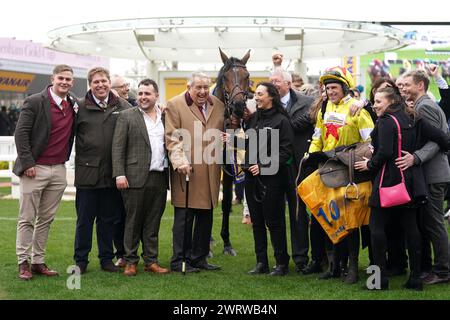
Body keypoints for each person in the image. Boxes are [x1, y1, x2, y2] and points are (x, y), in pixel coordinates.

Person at [355, 86, 450, 290]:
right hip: (411, 181)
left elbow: (385, 153)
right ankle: (415, 280)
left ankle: (378, 281)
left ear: (390, 101)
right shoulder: (413, 116)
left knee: (376, 228)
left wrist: (368, 165)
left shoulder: (386, 121)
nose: (375, 105)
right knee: (411, 228)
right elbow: (443, 138)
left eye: (378, 101)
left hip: (388, 180)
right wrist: (416, 157)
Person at [309, 66, 374, 284]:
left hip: (349, 172)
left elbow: (370, 142)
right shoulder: (324, 109)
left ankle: (353, 268)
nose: (330, 91)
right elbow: (318, 136)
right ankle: (335, 266)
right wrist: (310, 156)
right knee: (330, 218)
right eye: (327, 88)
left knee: (351, 221)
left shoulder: (357, 110)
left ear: (344, 88)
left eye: (334, 87)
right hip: (327, 168)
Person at [13, 64, 77, 280]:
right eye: (61, 78)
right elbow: (20, 134)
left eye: (68, 79)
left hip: (59, 170)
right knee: (27, 218)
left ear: (72, 82)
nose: (65, 82)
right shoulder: (34, 101)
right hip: (34, 168)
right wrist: (28, 163)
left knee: (46, 219)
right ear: (53, 78)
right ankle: (23, 262)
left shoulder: (73, 104)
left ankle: (38, 261)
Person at [165, 72, 224, 272]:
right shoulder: (174, 104)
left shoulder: (217, 104)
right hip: (187, 171)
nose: (202, 92)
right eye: (198, 87)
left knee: (206, 216)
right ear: (188, 86)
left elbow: (224, 131)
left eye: (206, 88)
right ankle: (179, 260)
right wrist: (180, 161)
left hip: (211, 170)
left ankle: (199, 258)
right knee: (185, 217)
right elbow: (172, 138)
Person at [73, 67, 130, 274]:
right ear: (90, 84)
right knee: (84, 221)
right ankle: (80, 260)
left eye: (104, 81)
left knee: (108, 220)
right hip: (87, 174)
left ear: (109, 83)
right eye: (96, 82)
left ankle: (106, 259)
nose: (101, 85)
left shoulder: (122, 106)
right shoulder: (78, 107)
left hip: (111, 174)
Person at [396, 70, 450, 285]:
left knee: (434, 223)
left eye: (407, 85)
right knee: (430, 223)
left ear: (420, 85)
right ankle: (435, 268)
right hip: (431, 173)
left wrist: (415, 158)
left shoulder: (425, 106)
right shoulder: (419, 105)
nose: (403, 88)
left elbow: (438, 140)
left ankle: (443, 270)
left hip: (433, 174)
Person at [112, 79, 169, 276]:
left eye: (147, 94)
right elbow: (117, 147)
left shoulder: (165, 117)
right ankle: (130, 261)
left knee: (153, 222)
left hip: (160, 177)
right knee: (133, 222)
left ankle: (151, 261)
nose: (143, 97)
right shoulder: (127, 116)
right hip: (134, 177)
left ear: (156, 96)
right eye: (141, 94)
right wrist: (119, 173)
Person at [245, 82, 295, 276]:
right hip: (251, 178)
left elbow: (286, 151)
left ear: (271, 97)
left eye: (259, 94)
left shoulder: (282, 121)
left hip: (272, 180)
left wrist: (264, 166)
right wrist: (231, 140)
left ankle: (281, 263)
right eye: (255, 94)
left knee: (274, 222)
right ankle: (261, 263)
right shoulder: (254, 118)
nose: (256, 97)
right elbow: (251, 143)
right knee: (256, 221)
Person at [270, 57, 314, 273]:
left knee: (298, 212)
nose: (274, 84)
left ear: (288, 83)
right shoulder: (266, 104)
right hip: (274, 166)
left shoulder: (306, 102)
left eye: (277, 81)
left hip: (299, 165)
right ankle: (280, 260)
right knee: (275, 213)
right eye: (271, 81)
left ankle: (301, 258)